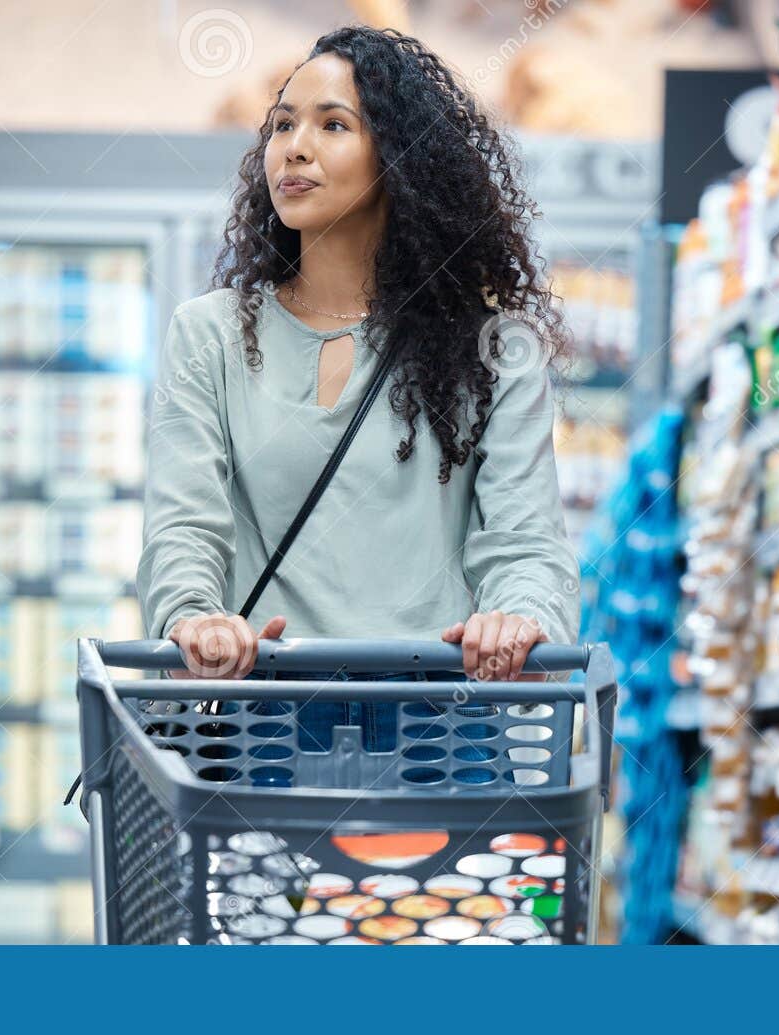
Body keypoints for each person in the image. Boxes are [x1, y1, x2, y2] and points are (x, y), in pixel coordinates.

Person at [136, 25, 580, 756]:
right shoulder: (209, 335)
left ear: (400, 161)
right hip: (262, 725)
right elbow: (183, 525)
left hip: (445, 723)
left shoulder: (495, 350)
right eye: (283, 123)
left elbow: (526, 542)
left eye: (333, 124)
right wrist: (193, 615)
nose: (294, 146)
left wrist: (520, 617)